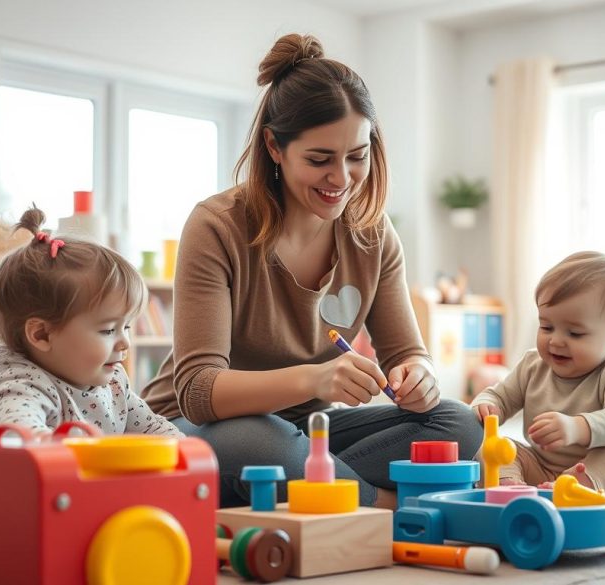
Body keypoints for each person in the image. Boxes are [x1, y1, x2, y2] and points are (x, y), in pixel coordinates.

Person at [142, 33, 481, 509]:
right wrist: (315, 380)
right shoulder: (216, 226)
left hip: (303, 434)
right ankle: (386, 507)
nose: (341, 179)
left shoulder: (372, 235)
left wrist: (418, 376)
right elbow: (199, 390)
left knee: (457, 424)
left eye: (357, 156)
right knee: (259, 441)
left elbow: (407, 352)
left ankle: (308, 490)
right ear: (274, 148)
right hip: (195, 429)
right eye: (320, 159)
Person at [0, 206, 182, 439]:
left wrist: (183, 448)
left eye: (126, 327)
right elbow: (21, 434)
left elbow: (153, 428)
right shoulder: (18, 381)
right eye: (108, 330)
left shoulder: (113, 381)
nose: (125, 342)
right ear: (42, 335)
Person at [470, 251, 605, 491]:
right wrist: (486, 405)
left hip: (600, 477)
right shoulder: (533, 365)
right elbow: (500, 396)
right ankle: (513, 489)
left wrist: (577, 427)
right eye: (546, 326)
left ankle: (568, 489)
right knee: (492, 447)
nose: (555, 341)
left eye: (574, 333)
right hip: (541, 470)